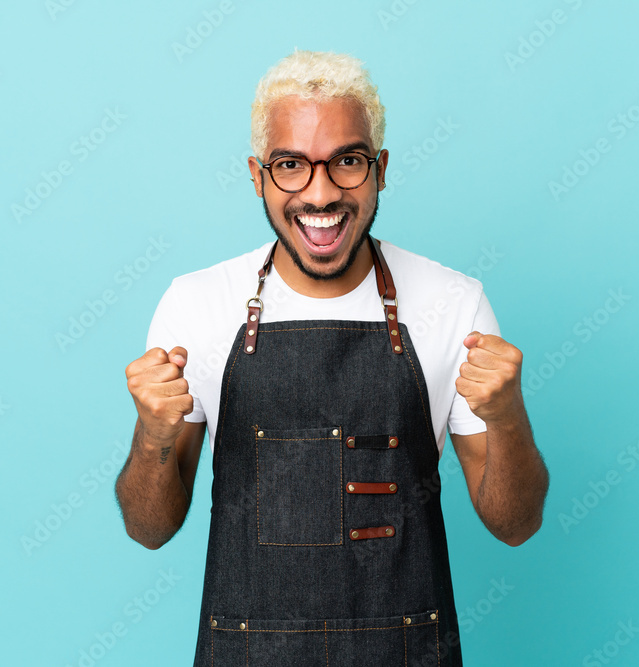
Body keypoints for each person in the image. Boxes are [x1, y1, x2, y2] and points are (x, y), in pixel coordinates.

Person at [115, 49, 549, 666]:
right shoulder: (197, 305)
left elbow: (517, 524)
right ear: (258, 175)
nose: (320, 194)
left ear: (379, 170)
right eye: (291, 165)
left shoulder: (453, 304)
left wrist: (506, 416)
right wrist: (154, 434)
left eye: (347, 162)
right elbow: (149, 529)